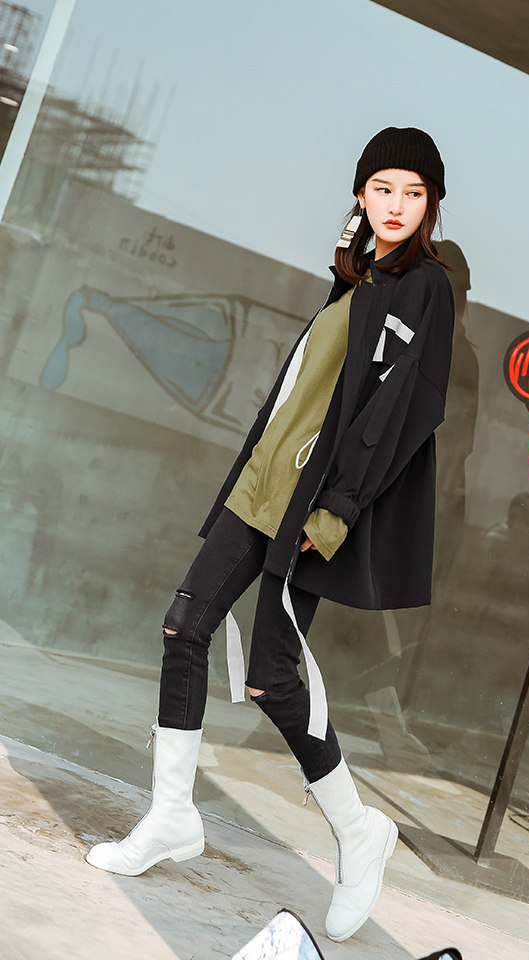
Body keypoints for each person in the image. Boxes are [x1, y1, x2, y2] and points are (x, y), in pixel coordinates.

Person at [85, 127, 455, 943]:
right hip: (263, 487)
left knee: (271, 678)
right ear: (360, 194)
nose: (396, 205)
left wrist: (340, 508)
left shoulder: (424, 287)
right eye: (382, 188)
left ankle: (359, 829)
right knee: (184, 628)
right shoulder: (355, 282)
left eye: (413, 193)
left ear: (431, 204)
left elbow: (404, 409)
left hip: (310, 506)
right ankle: (172, 815)